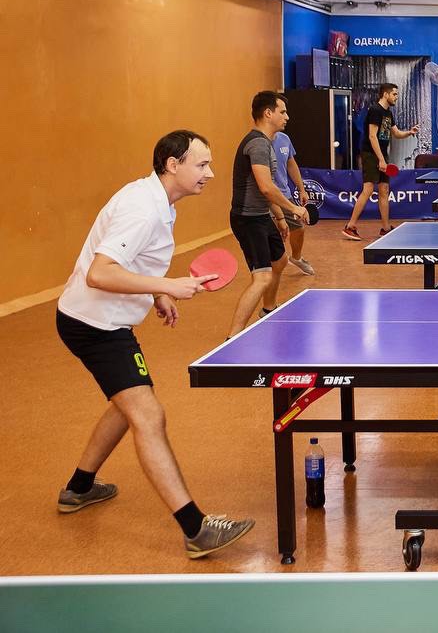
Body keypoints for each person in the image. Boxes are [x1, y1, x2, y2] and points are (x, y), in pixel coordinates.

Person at [56, 130, 255, 558]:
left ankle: (79, 487)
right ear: (172, 165)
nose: (210, 173)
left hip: (101, 320)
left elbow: (132, 262)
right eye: (202, 164)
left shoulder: (159, 202)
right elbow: (100, 272)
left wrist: (155, 293)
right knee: (148, 414)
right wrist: (167, 285)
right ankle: (196, 529)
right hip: (95, 325)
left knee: (126, 403)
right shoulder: (143, 209)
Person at [228, 92, 309, 336]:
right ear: (268, 113)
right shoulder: (258, 144)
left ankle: (268, 309)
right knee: (262, 277)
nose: (287, 116)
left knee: (280, 261)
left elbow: (265, 189)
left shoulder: (268, 142)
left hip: (261, 215)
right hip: (247, 219)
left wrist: (280, 218)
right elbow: (266, 187)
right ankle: (232, 337)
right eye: (282, 111)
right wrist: (293, 209)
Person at [341, 83, 419, 241]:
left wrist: (409, 132)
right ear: (385, 94)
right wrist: (381, 160)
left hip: (382, 154)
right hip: (371, 154)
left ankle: (385, 228)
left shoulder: (388, 113)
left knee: (384, 189)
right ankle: (350, 226)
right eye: (394, 94)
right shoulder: (375, 110)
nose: (396, 97)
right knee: (368, 189)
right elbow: (372, 136)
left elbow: (396, 133)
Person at [272, 128, 314, 277]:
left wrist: (302, 189)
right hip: (268, 196)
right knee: (274, 235)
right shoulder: (260, 142)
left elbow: (291, 164)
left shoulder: (284, 138)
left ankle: (296, 258)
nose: (286, 117)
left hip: (285, 195)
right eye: (283, 115)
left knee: (299, 228)